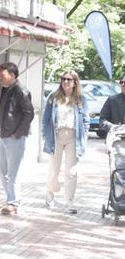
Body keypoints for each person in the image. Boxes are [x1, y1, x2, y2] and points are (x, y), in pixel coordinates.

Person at [42, 71, 89, 214]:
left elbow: (86, 120)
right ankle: (50, 194)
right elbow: (45, 119)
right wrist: (45, 133)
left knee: (71, 171)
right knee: (53, 169)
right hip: (56, 135)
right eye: (63, 79)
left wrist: (84, 137)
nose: (65, 82)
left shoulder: (81, 99)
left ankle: (69, 201)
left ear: (75, 82)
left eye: (69, 79)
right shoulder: (54, 97)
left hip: (73, 136)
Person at [0, 62, 34, 216]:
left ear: (12, 75)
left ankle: (13, 201)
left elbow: (29, 114)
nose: (0, 79)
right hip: (4, 135)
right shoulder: (7, 90)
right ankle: (11, 198)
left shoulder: (21, 91)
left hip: (15, 137)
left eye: (2, 76)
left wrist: (17, 133)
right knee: (2, 171)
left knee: (13, 173)